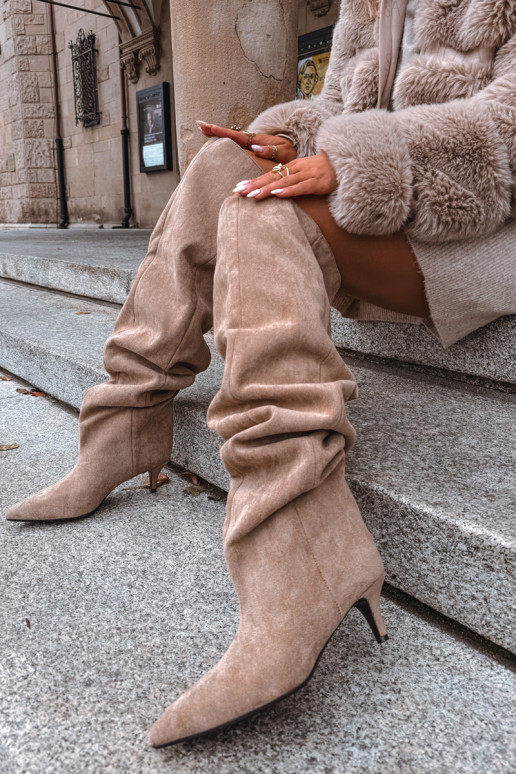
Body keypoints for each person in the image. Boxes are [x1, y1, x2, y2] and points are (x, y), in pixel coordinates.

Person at [5, 0, 515, 748]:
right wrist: (284, 138)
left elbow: (506, 132)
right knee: (225, 169)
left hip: (481, 228)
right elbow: (338, 106)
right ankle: (125, 419)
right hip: (384, 209)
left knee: (263, 213)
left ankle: (299, 547)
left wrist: (352, 160)